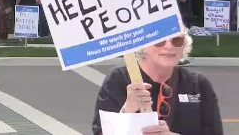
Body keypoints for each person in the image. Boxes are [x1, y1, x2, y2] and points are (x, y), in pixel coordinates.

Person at [92, 30, 223, 135]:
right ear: (144, 46)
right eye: (159, 41)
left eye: (177, 40)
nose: (169, 46)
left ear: (184, 46)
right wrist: (127, 110)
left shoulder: (198, 85)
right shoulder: (119, 80)